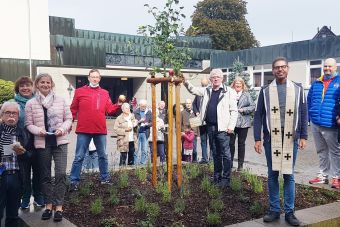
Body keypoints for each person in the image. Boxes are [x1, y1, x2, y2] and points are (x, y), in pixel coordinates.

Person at [254, 57, 308, 226]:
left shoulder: (298, 89)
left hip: (291, 138)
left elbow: (304, 112)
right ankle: (274, 210)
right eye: (277, 68)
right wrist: (257, 138)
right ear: (273, 70)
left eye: (283, 67)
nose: (280, 70)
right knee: (273, 174)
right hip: (272, 138)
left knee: (289, 175)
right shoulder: (265, 90)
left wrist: (304, 136)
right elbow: (258, 115)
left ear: (288, 68)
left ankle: (290, 212)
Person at [25, 73, 72, 222]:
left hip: (60, 141)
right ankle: (48, 205)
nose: (45, 84)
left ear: (51, 84)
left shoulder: (61, 100)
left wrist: (62, 129)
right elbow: (28, 124)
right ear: (37, 84)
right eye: (42, 82)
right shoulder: (31, 103)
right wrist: (38, 131)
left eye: (48, 82)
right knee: (44, 176)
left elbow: (69, 119)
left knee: (60, 174)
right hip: (42, 142)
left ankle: (59, 207)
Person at [183, 68, 238, 188]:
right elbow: (193, 90)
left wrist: (231, 127)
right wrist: (186, 81)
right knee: (215, 153)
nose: (216, 78)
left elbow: (234, 111)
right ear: (210, 79)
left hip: (223, 129)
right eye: (213, 77)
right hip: (210, 127)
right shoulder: (207, 90)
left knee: (226, 154)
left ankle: (226, 179)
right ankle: (217, 177)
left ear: (222, 78)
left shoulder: (229, 91)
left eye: (218, 76)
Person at [69, 69, 122, 190]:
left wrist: (118, 105)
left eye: (97, 77)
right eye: (92, 77)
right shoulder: (79, 92)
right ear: (88, 78)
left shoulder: (104, 93)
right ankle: (73, 181)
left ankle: (105, 178)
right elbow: (73, 109)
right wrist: (69, 123)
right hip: (83, 129)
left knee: (103, 155)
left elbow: (109, 109)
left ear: (100, 79)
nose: (95, 79)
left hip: (100, 129)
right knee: (79, 156)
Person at [307, 58, 340, 189]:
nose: (327, 68)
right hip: (316, 123)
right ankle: (323, 175)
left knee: (335, 151)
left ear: (335, 68)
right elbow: (309, 100)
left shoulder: (339, 81)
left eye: (330, 66)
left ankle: (336, 177)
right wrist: (309, 117)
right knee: (321, 150)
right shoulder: (317, 83)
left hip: (331, 123)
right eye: (325, 66)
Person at [14, 76, 44, 209]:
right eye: (22, 86)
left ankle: (38, 195)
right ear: (18, 88)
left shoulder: (40, 102)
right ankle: (25, 197)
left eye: (28, 85)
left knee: (39, 172)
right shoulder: (12, 103)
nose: (25, 88)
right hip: (21, 144)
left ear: (33, 87)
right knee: (24, 174)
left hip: (38, 142)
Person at [0, 101, 31, 227]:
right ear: (2, 115)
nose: (11, 116)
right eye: (8, 113)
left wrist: (23, 153)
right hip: (1, 176)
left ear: (18, 116)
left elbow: (31, 156)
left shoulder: (24, 133)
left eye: (14, 113)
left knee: (13, 215)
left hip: (16, 176)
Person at [229, 77, 255, 171]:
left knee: (241, 144)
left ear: (243, 85)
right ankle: (230, 164)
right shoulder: (230, 94)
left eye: (240, 83)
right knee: (230, 143)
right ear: (234, 85)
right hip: (232, 123)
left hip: (244, 123)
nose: (238, 85)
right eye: (236, 83)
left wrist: (243, 110)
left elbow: (252, 106)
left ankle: (240, 166)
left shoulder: (246, 94)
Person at [192, 77, 210, 164]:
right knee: (203, 140)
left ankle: (212, 159)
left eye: (205, 85)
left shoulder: (211, 92)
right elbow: (194, 104)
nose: (203, 87)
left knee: (211, 140)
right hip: (201, 121)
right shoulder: (198, 94)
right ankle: (204, 158)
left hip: (210, 121)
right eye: (202, 85)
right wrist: (196, 112)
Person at [134, 99, 152, 165]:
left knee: (144, 149)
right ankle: (135, 163)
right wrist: (139, 121)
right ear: (139, 105)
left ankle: (142, 163)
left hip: (145, 132)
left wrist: (148, 124)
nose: (144, 107)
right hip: (137, 133)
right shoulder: (135, 112)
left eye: (145, 106)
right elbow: (133, 123)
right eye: (142, 106)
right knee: (136, 149)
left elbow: (152, 122)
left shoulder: (149, 112)